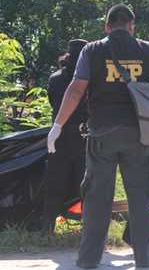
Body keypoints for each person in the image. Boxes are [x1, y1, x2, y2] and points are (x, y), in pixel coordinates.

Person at [47, 4, 149, 269]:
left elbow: (76, 90)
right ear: (131, 26)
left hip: (102, 135)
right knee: (140, 200)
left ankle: (88, 262)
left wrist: (58, 126)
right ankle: (145, 261)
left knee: (96, 201)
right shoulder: (147, 49)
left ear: (107, 26)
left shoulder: (92, 50)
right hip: (139, 135)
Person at [42, 39, 88, 234]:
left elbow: (53, 102)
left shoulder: (55, 78)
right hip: (83, 136)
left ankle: (47, 229)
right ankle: (90, 230)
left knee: (54, 184)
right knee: (86, 185)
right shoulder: (89, 79)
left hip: (59, 136)